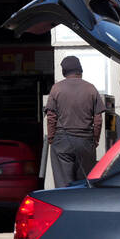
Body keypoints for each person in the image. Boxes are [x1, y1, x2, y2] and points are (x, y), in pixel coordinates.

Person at [45, 56, 106, 187]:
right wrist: (95, 140)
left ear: (64, 71)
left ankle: (64, 205)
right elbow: (98, 119)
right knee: (83, 183)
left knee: (63, 183)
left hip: (62, 141)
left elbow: (51, 117)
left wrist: (51, 139)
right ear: (80, 70)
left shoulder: (56, 89)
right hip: (85, 142)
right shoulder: (91, 89)